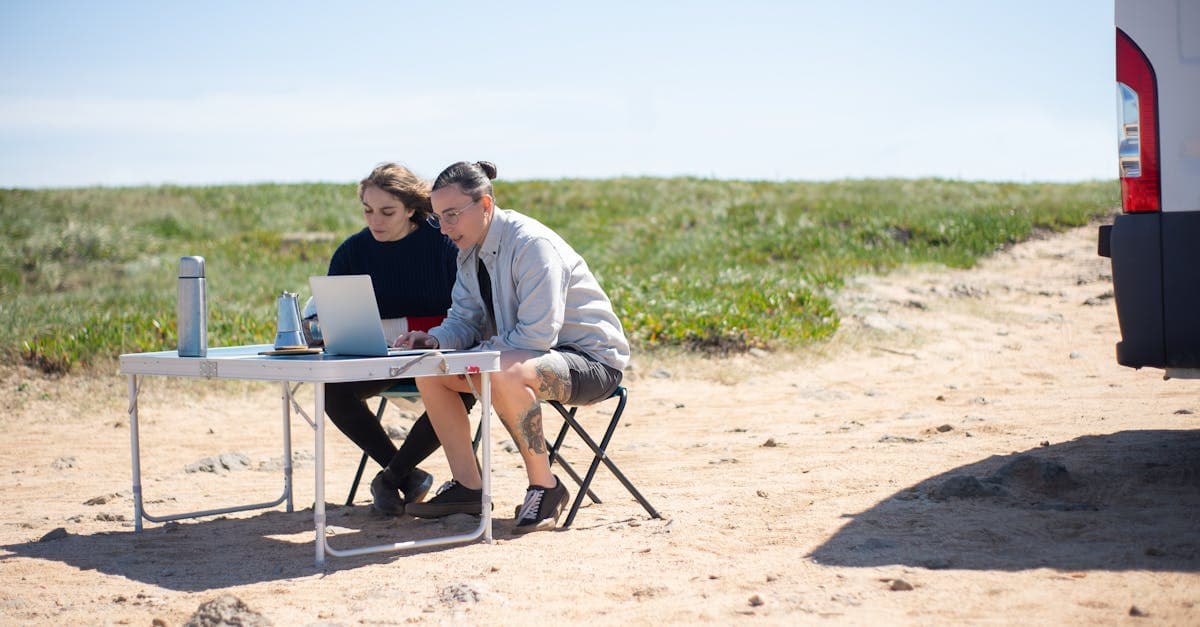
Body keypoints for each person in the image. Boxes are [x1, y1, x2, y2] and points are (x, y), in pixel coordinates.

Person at [398, 161, 630, 533]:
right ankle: (468, 488)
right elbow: (464, 319)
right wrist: (436, 339)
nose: (444, 228)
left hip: (592, 363)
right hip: (519, 360)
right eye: (438, 218)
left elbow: (536, 336)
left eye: (453, 215)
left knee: (502, 371)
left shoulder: (532, 245)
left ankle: (545, 486)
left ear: (486, 205)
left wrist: (479, 356)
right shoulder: (469, 251)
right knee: (432, 369)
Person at [320, 162, 473, 516]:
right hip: (374, 360)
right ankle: (403, 475)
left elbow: (469, 315)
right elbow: (337, 319)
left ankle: (390, 479)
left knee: (457, 392)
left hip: (438, 357)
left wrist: (403, 328)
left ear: (410, 209)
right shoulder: (351, 253)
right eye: (368, 211)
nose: (376, 221)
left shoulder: (444, 245)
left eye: (387, 212)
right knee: (332, 390)